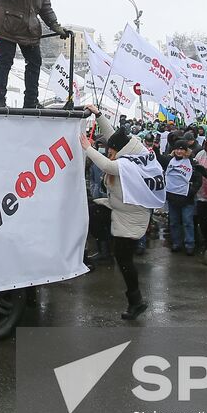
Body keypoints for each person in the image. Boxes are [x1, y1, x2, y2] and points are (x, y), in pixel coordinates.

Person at [81, 105, 149, 320]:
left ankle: (136, 301)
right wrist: (98, 114)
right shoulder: (131, 150)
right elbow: (114, 137)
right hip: (119, 207)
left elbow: (106, 166)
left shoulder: (127, 164)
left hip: (130, 218)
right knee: (90, 210)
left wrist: (87, 147)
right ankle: (96, 251)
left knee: (124, 260)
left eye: (110, 151)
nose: (108, 152)